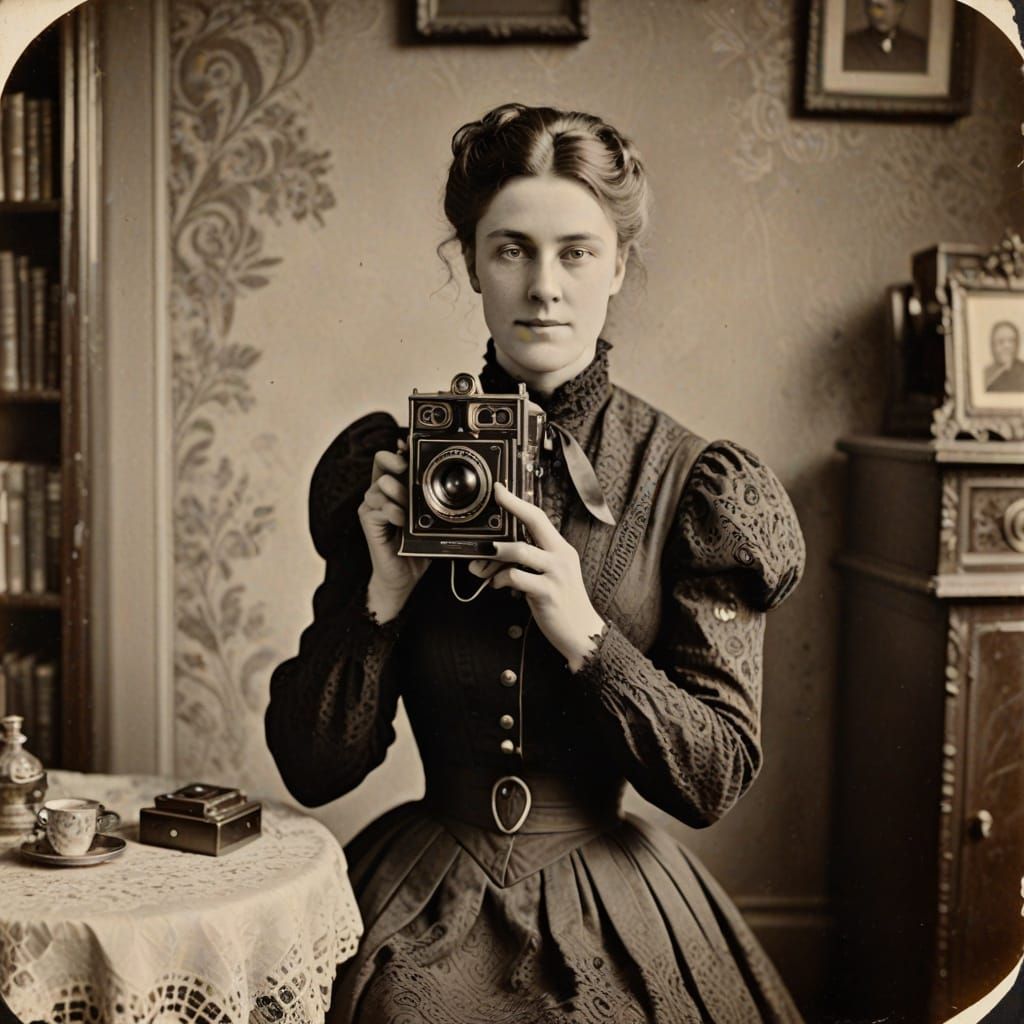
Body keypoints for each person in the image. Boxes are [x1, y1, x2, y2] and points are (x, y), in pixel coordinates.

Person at [265, 102, 807, 1023]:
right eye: (511, 249)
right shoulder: (398, 470)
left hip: (617, 901)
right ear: (471, 261)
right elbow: (312, 771)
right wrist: (381, 600)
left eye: (577, 252)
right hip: (424, 889)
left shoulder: (693, 482)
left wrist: (589, 636)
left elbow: (713, 778)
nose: (544, 287)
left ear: (619, 265)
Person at [843, 0, 928, 73]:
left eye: (887, 7)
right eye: (876, 7)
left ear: (901, 8)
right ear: (866, 8)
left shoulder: (919, 49)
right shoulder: (848, 46)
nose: (880, 15)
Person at [984, 321, 1024, 393]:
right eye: (1001, 342)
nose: (1007, 346)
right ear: (992, 346)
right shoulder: (986, 373)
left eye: (1011, 341)